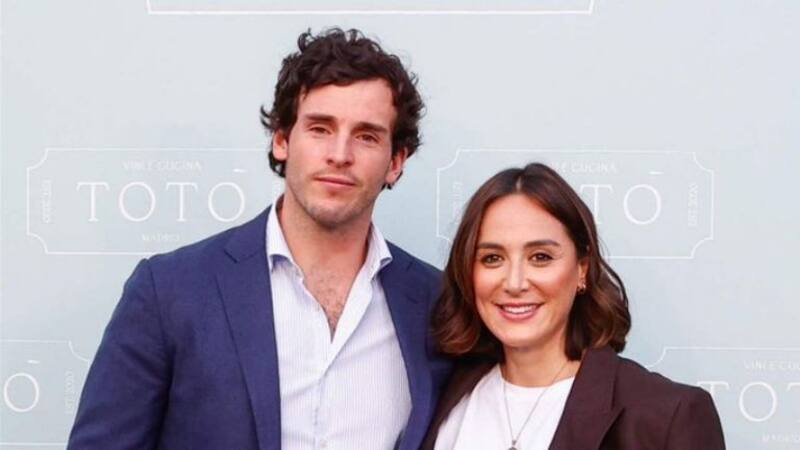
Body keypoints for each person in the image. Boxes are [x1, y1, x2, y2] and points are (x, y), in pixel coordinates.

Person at [68, 28, 450, 450]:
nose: (340, 154)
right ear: (282, 140)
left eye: (366, 136)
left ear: (396, 161)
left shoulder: (436, 305)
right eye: (320, 128)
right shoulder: (170, 291)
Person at [422, 163, 725, 450]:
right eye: (492, 258)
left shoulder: (667, 417)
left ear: (582, 269)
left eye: (540, 257)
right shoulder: (439, 393)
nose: (514, 283)